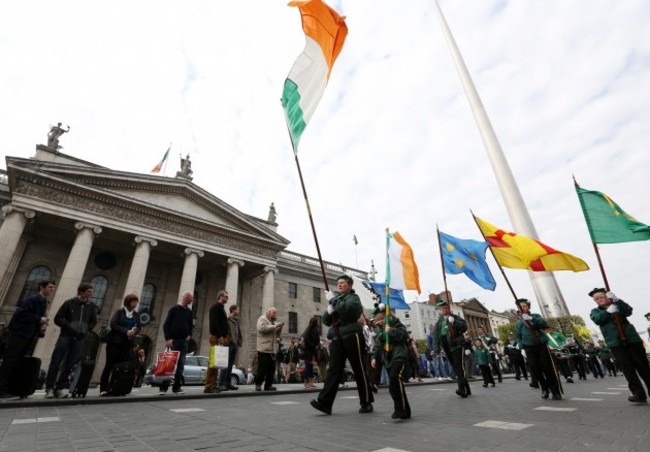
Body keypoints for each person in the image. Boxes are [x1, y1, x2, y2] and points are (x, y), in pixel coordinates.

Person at [310, 275, 374, 415]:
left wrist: (333, 301)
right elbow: (327, 321)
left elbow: (348, 310)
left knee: (358, 369)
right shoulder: (337, 300)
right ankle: (325, 403)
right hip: (337, 337)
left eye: (342, 283)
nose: (339, 285)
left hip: (353, 335)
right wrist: (329, 310)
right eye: (338, 283)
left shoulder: (353, 298)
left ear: (349, 286)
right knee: (334, 370)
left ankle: (366, 401)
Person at [589, 288, 650, 403]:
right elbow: (598, 320)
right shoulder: (595, 311)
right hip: (615, 344)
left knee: (643, 366)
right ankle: (638, 394)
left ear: (607, 296)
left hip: (632, 340)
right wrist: (607, 312)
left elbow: (628, 311)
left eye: (601, 297)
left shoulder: (616, 304)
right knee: (628, 369)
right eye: (596, 299)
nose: (599, 300)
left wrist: (618, 301)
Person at [0, 280, 54, 398]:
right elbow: (20, 314)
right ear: (41, 287)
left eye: (53, 288)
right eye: (50, 287)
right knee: (10, 361)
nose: (52, 290)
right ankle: (1, 388)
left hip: (28, 335)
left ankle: (9, 388)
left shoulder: (43, 301)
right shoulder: (31, 299)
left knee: (17, 361)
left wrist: (41, 325)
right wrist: (39, 319)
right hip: (19, 334)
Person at [44, 283, 97, 398]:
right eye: (89, 291)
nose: (91, 294)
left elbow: (93, 321)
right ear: (81, 292)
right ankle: (49, 388)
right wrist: (69, 326)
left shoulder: (92, 306)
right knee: (56, 362)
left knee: (70, 364)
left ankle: (59, 388)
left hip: (80, 339)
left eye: (92, 292)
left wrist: (87, 329)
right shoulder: (69, 303)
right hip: (66, 336)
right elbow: (58, 318)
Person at [514, 298, 562, 400]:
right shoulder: (519, 323)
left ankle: (555, 391)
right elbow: (518, 336)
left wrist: (531, 319)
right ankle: (544, 388)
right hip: (529, 349)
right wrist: (521, 346)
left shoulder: (536, 316)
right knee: (535, 370)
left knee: (547, 369)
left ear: (528, 307)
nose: (522, 308)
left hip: (541, 347)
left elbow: (543, 325)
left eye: (524, 306)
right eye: (520, 307)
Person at [371, 305, 411, 420]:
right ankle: (405, 411)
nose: (379, 321)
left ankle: (400, 410)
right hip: (388, 358)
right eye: (377, 320)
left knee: (394, 379)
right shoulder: (379, 329)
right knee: (395, 385)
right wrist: (374, 357)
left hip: (399, 355)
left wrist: (391, 331)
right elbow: (378, 345)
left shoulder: (396, 323)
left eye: (382, 319)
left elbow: (403, 335)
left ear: (387, 317)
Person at [99, 294, 141, 396]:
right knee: (109, 365)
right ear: (128, 302)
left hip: (127, 344)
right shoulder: (119, 312)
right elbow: (113, 324)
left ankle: (118, 387)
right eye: (134, 301)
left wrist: (134, 331)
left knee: (122, 366)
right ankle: (103, 389)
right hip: (115, 342)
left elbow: (139, 327)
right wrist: (125, 331)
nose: (135, 304)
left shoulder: (136, 315)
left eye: (136, 302)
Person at [432, 300, 470, 398]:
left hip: (457, 345)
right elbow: (436, 337)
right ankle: (466, 388)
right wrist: (436, 349)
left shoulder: (455, 318)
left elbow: (464, 328)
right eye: (441, 309)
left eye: (445, 308)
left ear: (448, 308)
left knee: (459, 366)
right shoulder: (438, 323)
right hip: (447, 347)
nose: (443, 310)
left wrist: (455, 322)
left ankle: (461, 389)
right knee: (455, 367)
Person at [159, 292, 194, 395]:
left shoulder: (189, 311)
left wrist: (189, 335)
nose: (192, 300)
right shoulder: (174, 309)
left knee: (181, 365)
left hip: (184, 342)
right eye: (191, 298)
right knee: (169, 364)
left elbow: (191, 325)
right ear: (186, 298)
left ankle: (177, 387)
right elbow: (166, 325)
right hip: (173, 341)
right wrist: (168, 338)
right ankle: (163, 388)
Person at [204, 290, 229, 393]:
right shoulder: (216, 307)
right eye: (226, 297)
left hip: (220, 337)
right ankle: (209, 386)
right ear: (220, 297)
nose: (227, 298)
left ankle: (213, 384)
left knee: (217, 362)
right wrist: (220, 335)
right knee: (213, 362)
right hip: (216, 337)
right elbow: (214, 323)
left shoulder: (221, 308)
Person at [254, 307, 283, 391]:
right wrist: (274, 326)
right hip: (264, 348)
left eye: (275, 313)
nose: (275, 314)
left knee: (271, 368)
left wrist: (279, 328)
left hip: (272, 348)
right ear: (268, 312)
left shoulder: (273, 321)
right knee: (262, 367)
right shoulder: (262, 318)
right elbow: (262, 329)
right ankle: (258, 384)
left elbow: (276, 334)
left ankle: (268, 385)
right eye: (273, 312)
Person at [219, 304, 242, 391]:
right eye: (237, 310)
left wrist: (239, 340)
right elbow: (224, 330)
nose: (239, 311)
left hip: (235, 344)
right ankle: (221, 383)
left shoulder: (236, 321)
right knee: (225, 364)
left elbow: (238, 332)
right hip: (228, 343)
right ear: (233, 310)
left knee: (230, 365)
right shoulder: (227, 320)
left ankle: (228, 383)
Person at [301, 316, 321, 389]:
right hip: (308, 351)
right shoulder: (309, 329)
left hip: (313, 351)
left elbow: (317, 340)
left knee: (310, 366)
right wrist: (314, 346)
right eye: (318, 321)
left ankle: (310, 383)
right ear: (314, 322)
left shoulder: (316, 330)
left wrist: (318, 345)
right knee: (308, 366)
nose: (319, 323)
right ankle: (307, 383)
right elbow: (306, 339)